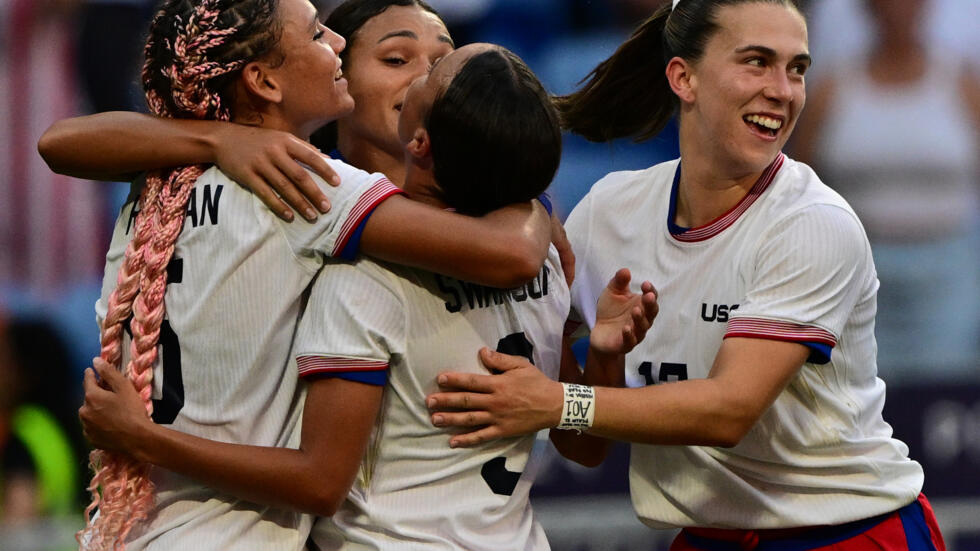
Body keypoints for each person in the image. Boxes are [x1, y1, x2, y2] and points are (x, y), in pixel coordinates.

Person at [78, 42, 654, 550]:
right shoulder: (546, 261)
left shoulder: (366, 280)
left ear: (421, 141)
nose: (420, 71)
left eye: (433, 69)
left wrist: (147, 439)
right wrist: (601, 359)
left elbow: (319, 483)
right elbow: (584, 447)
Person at [425, 1, 947, 549]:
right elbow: (584, 447)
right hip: (705, 536)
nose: (783, 90)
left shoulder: (815, 223)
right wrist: (601, 360)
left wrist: (558, 400)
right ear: (683, 77)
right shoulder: (608, 211)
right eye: (757, 62)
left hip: (847, 533)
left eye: (797, 68)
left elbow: (727, 411)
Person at [791, 0, 980, 381]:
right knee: (857, 387)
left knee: (945, 386)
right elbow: (799, 182)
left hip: (951, 272)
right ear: (867, 9)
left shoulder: (963, 83)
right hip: (856, 269)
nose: (898, 10)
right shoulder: (831, 88)